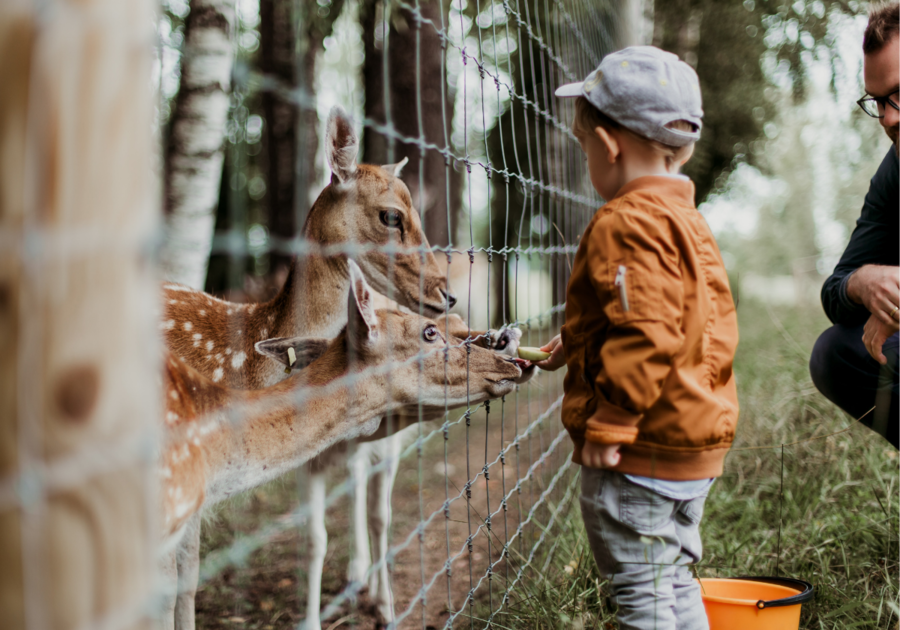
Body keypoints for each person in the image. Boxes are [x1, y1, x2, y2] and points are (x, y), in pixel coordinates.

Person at [536, 47, 739, 630]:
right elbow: (688, 324)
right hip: (689, 445)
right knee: (673, 582)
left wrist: (614, 418)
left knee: (641, 597)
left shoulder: (624, 221)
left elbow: (647, 330)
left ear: (608, 146)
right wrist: (577, 344)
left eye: (583, 147)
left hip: (639, 451)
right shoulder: (687, 221)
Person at [810, 1, 899, 448]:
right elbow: (835, 289)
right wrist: (865, 284)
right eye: (878, 102)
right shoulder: (895, 170)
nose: (889, 118)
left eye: (899, 95)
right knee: (836, 352)